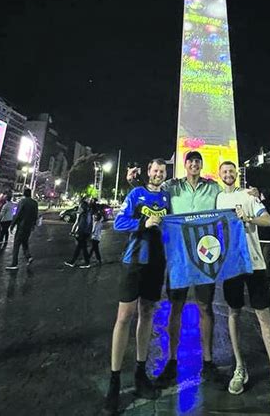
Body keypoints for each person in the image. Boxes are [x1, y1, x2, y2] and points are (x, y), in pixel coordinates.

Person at [217, 162, 270, 412]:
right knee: (233, 313)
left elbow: (268, 220)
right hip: (231, 265)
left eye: (231, 171)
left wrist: (249, 217)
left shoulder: (248, 195)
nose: (228, 174)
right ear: (219, 175)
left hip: (255, 263)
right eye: (224, 171)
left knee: (264, 317)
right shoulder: (215, 199)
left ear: (236, 174)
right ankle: (239, 366)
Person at [104, 158, 170, 414]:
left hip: (156, 264)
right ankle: (114, 379)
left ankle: (141, 373)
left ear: (165, 174)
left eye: (162, 171)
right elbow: (120, 222)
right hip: (134, 262)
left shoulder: (166, 198)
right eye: (154, 170)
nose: (157, 174)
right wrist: (144, 223)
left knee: (148, 314)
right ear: (148, 171)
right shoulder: (135, 193)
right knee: (124, 317)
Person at [156, 150, 221, 389]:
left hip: (204, 254)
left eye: (198, 161)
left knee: (205, 306)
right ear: (185, 165)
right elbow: (151, 193)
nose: (194, 164)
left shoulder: (212, 188)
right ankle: (172, 360)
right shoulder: (172, 187)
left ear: (201, 165)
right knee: (176, 307)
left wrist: (251, 194)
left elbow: (229, 200)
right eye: (191, 161)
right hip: (179, 256)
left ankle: (208, 360)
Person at [5, 188, 38, 270]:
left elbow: (17, 214)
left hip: (21, 227)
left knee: (16, 244)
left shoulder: (22, 201)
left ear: (24, 194)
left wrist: (12, 225)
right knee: (25, 242)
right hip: (29, 227)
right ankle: (29, 257)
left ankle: (14, 263)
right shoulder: (35, 203)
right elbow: (35, 215)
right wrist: (33, 225)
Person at [64, 199, 93, 268]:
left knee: (83, 248)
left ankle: (86, 263)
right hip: (85, 233)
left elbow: (82, 225)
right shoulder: (87, 214)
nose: (79, 208)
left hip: (83, 233)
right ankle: (73, 262)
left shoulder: (84, 216)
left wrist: (77, 233)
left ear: (83, 207)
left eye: (80, 207)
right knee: (80, 247)